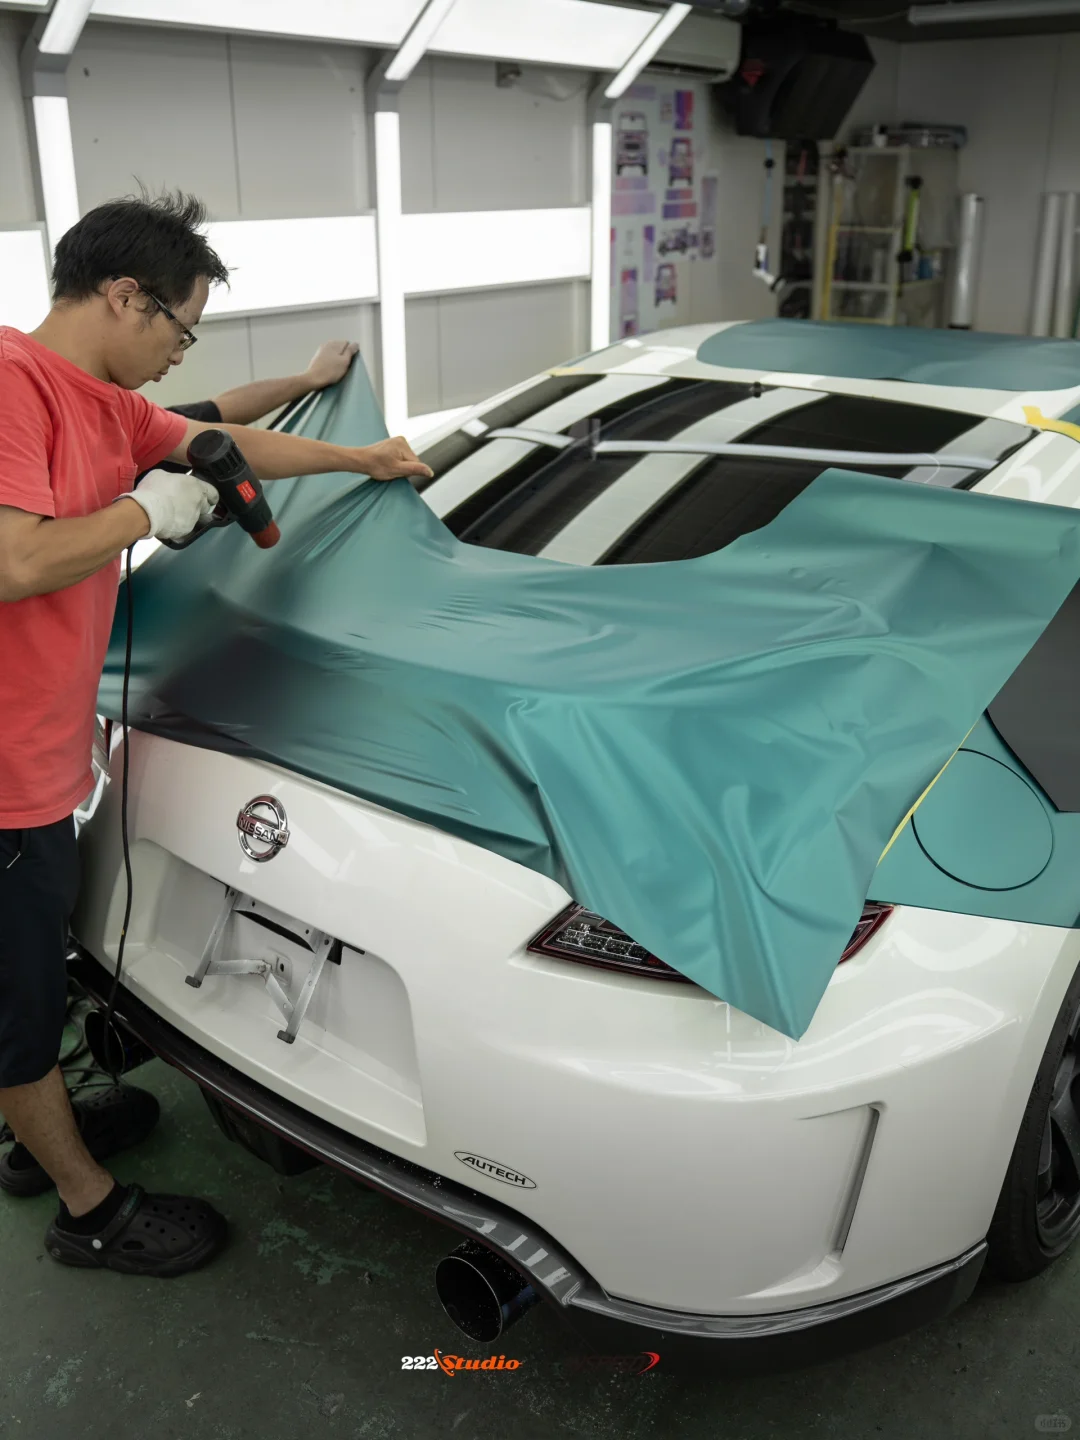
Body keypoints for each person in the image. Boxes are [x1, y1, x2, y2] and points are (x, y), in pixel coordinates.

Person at [0, 191, 432, 1278]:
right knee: (15, 1008)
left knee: (30, 975)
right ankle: (90, 1212)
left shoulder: (105, 401)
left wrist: (361, 459)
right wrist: (146, 513)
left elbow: (223, 436)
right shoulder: (10, 383)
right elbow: (13, 561)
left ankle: (31, 1133)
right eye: (181, 329)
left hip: (40, 761)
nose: (180, 355)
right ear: (124, 296)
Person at [162, 338, 361, 431]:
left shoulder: (150, 422)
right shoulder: (149, 432)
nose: (178, 358)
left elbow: (217, 411)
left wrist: (311, 378)